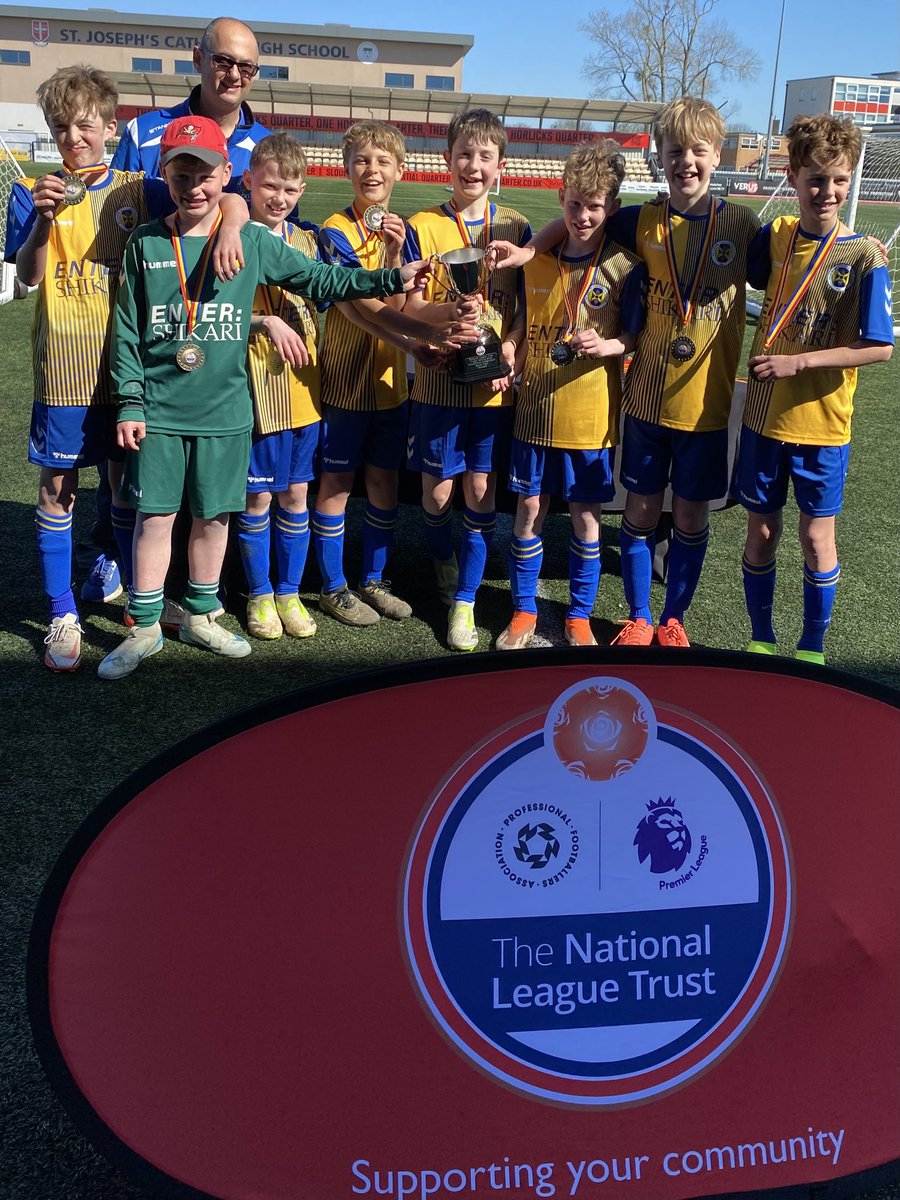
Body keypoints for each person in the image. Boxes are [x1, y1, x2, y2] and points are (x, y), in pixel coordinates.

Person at [97, 116, 431, 680]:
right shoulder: (146, 242)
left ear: (226, 174)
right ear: (165, 174)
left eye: (205, 173)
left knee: (213, 518)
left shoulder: (251, 240)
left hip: (226, 411)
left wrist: (388, 281)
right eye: (181, 174)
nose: (193, 186)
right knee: (156, 518)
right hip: (158, 409)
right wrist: (129, 400)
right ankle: (146, 627)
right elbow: (126, 329)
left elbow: (321, 281)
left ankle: (202, 614)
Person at [489, 96, 759, 649]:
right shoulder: (642, 222)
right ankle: (632, 616)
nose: (686, 161)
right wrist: (528, 253)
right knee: (619, 510)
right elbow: (565, 232)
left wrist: (852, 243)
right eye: (674, 151)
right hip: (640, 404)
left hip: (700, 406)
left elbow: (786, 255)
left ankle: (669, 616)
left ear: (716, 154)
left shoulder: (741, 223)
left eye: (698, 151)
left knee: (683, 516)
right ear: (659, 158)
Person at [4, 66, 245, 672]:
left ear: (110, 127)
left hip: (133, 369)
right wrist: (41, 219)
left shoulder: (140, 189)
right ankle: (61, 610)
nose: (72, 138)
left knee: (126, 488)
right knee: (57, 488)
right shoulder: (33, 191)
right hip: (64, 364)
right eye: (60, 128)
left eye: (84, 125)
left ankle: (140, 601)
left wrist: (236, 223)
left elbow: (220, 191)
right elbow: (28, 277)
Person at [737, 114, 893, 665]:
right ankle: (761, 636)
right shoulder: (777, 236)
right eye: (816, 179)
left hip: (824, 426)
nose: (828, 192)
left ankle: (812, 645)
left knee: (815, 539)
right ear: (794, 176)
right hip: (762, 420)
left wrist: (798, 363)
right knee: (761, 533)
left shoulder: (865, 257)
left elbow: (879, 347)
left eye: (840, 180)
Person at [495, 146, 647, 650]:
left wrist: (608, 346)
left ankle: (579, 615)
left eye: (595, 207)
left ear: (613, 207)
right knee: (529, 508)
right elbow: (522, 317)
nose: (583, 217)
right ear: (561, 197)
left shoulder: (626, 266)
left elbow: (634, 335)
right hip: (535, 411)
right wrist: (512, 345)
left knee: (585, 517)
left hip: (591, 416)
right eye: (576, 204)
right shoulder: (536, 259)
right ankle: (522, 610)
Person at [403, 108, 531, 651]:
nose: (473, 166)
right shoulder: (421, 227)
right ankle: (443, 559)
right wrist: (442, 324)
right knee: (436, 496)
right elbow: (408, 305)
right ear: (447, 160)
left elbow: (530, 308)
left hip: (492, 387)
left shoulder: (519, 228)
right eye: (464, 154)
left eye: (485, 156)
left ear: (500, 165)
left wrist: (512, 353)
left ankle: (465, 604)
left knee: (481, 489)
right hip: (438, 382)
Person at [111, 16, 271, 184]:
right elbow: (115, 208)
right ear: (198, 59)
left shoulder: (269, 150)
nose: (234, 75)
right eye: (223, 61)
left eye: (246, 67)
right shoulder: (142, 135)